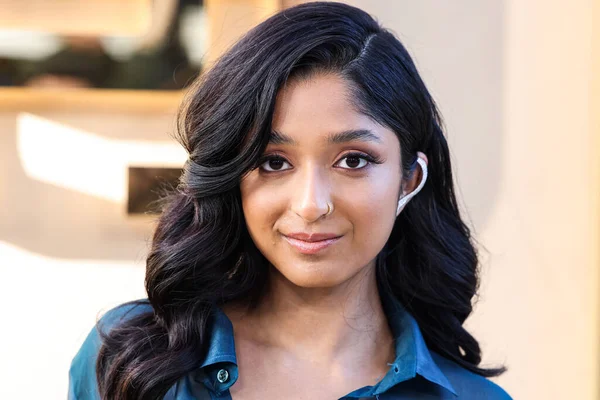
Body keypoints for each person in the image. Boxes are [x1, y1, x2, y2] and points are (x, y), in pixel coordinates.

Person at [68, 2, 512, 399]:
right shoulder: (126, 362)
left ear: (409, 178)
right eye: (274, 162)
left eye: (353, 160)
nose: (311, 205)